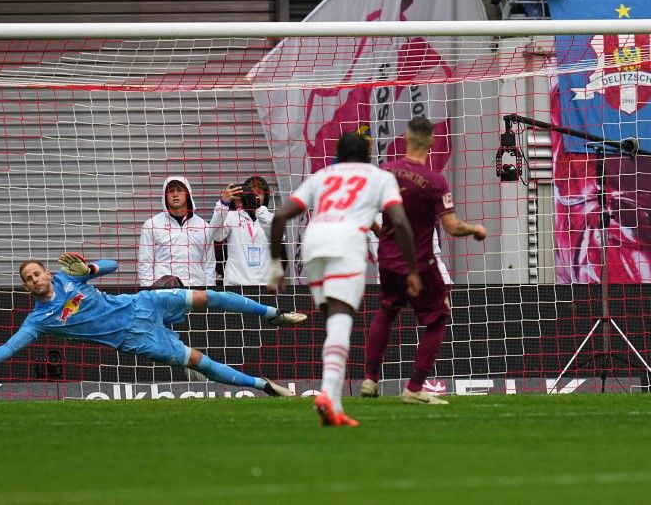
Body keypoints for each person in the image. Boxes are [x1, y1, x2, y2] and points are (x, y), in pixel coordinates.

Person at [0, 253, 307, 396]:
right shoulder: (39, 321)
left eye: (37, 272)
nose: (35, 279)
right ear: (26, 287)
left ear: (46, 272)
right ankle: (264, 386)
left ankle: (273, 314)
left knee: (207, 296)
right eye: (28, 279)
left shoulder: (68, 276)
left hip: (141, 302)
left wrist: (90, 269)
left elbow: (113, 264)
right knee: (197, 361)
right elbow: (11, 346)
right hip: (134, 337)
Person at [267, 133, 421, 427]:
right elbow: (399, 221)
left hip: (313, 241)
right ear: (367, 154)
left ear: (338, 153)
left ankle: (334, 406)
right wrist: (412, 270)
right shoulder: (380, 177)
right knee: (341, 319)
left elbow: (279, 217)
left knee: (334, 322)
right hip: (347, 241)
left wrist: (276, 266)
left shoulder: (322, 175)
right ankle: (326, 394)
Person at [360, 118, 488, 405]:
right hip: (420, 264)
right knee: (439, 315)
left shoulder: (385, 173)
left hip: (388, 261)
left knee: (387, 310)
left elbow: (365, 212)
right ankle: (414, 387)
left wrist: (384, 236)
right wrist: (475, 229)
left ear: (405, 137)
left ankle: (370, 379)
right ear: (432, 142)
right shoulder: (435, 182)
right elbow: (453, 227)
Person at [137, 176, 215, 289]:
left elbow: (209, 264)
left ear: (187, 193)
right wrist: (149, 293)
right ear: (165, 195)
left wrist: (209, 292)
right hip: (163, 292)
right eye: (171, 191)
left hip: (195, 290)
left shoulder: (203, 227)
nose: (175, 194)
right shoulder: (151, 225)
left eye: (179, 190)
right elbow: (145, 263)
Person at [209, 176, 275, 286]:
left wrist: (258, 209)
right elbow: (216, 235)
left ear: (266, 196)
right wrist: (223, 204)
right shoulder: (231, 216)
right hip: (236, 285)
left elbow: (279, 237)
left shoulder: (270, 217)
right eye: (251, 193)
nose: (254, 196)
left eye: (259, 193)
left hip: (265, 285)